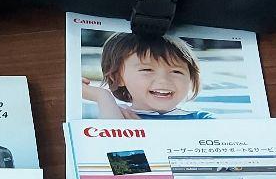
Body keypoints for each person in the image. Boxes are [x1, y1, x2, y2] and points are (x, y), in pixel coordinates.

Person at [81, 33, 214, 119]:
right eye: (147, 70)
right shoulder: (115, 114)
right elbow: (112, 148)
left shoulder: (202, 120)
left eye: (176, 71)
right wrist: (102, 96)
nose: (164, 81)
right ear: (117, 77)